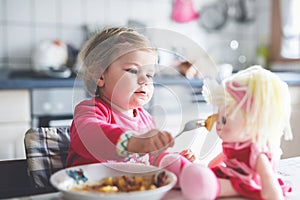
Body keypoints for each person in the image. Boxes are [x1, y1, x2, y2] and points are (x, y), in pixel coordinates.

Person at [66, 27, 195, 167]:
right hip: (89, 186)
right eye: (133, 70)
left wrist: (171, 160)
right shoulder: (91, 110)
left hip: (131, 187)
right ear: (100, 75)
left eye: (149, 75)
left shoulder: (147, 119)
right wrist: (132, 142)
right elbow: (90, 135)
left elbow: (152, 158)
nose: (145, 80)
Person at [160, 66, 293, 199]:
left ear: (252, 122)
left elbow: (268, 180)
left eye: (224, 119)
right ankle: (181, 173)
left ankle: (200, 184)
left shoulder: (256, 153)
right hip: (228, 174)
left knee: (206, 182)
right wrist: (208, 168)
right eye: (219, 116)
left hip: (244, 183)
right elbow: (216, 162)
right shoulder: (233, 145)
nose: (217, 123)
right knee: (181, 165)